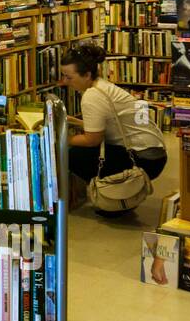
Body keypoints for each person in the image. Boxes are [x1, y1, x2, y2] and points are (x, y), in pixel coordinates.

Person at [60, 43, 168, 214]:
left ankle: (114, 195)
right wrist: (75, 121)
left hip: (143, 159)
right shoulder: (101, 85)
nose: (64, 82)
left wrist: (59, 140)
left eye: (69, 77)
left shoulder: (91, 96)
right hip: (154, 153)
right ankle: (121, 193)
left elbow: (92, 139)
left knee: (73, 155)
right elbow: (108, 124)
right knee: (79, 150)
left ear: (87, 74)